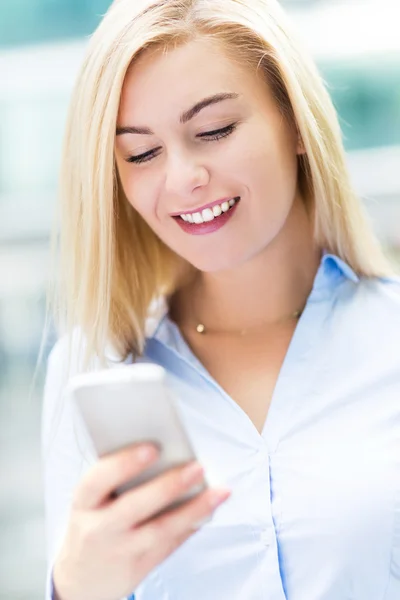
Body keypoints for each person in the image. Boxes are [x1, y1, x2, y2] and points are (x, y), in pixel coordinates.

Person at [41, 0, 400, 599]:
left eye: (213, 131)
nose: (182, 179)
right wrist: (75, 587)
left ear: (296, 123)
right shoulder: (92, 370)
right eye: (141, 153)